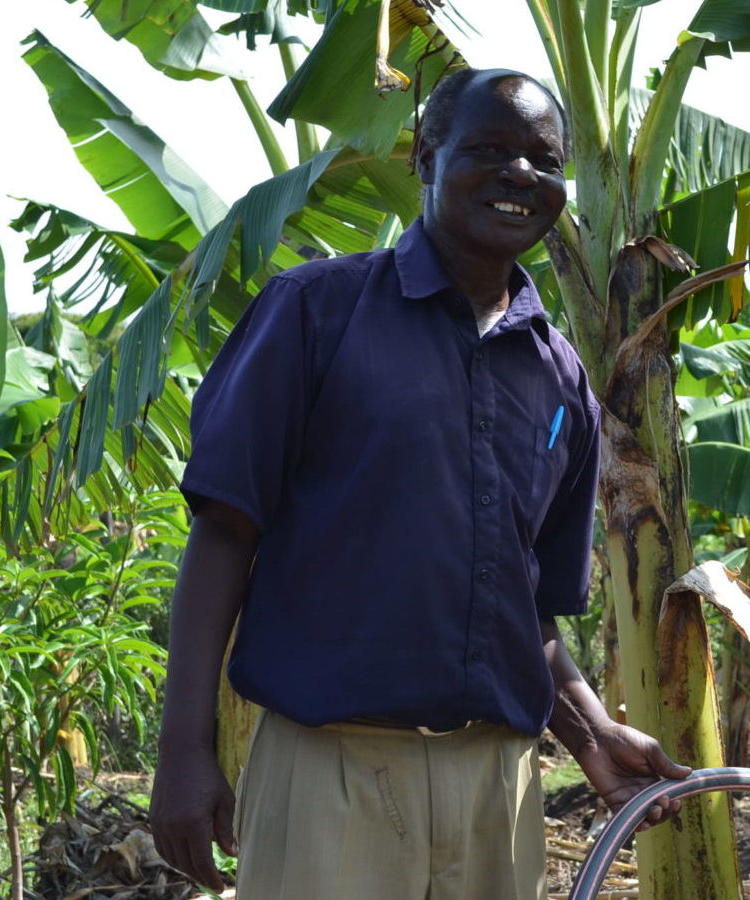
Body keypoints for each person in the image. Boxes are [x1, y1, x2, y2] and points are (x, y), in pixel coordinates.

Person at [147, 67, 688, 900]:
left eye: (543, 161)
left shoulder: (560, 379)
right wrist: (183, 752)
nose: (519, 177)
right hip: (333, 773)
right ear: (429, 157)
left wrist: (589, 735)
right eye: (490, 151)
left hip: (497, 790)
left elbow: (526, 608)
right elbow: (224, 534)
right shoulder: (314, 313)